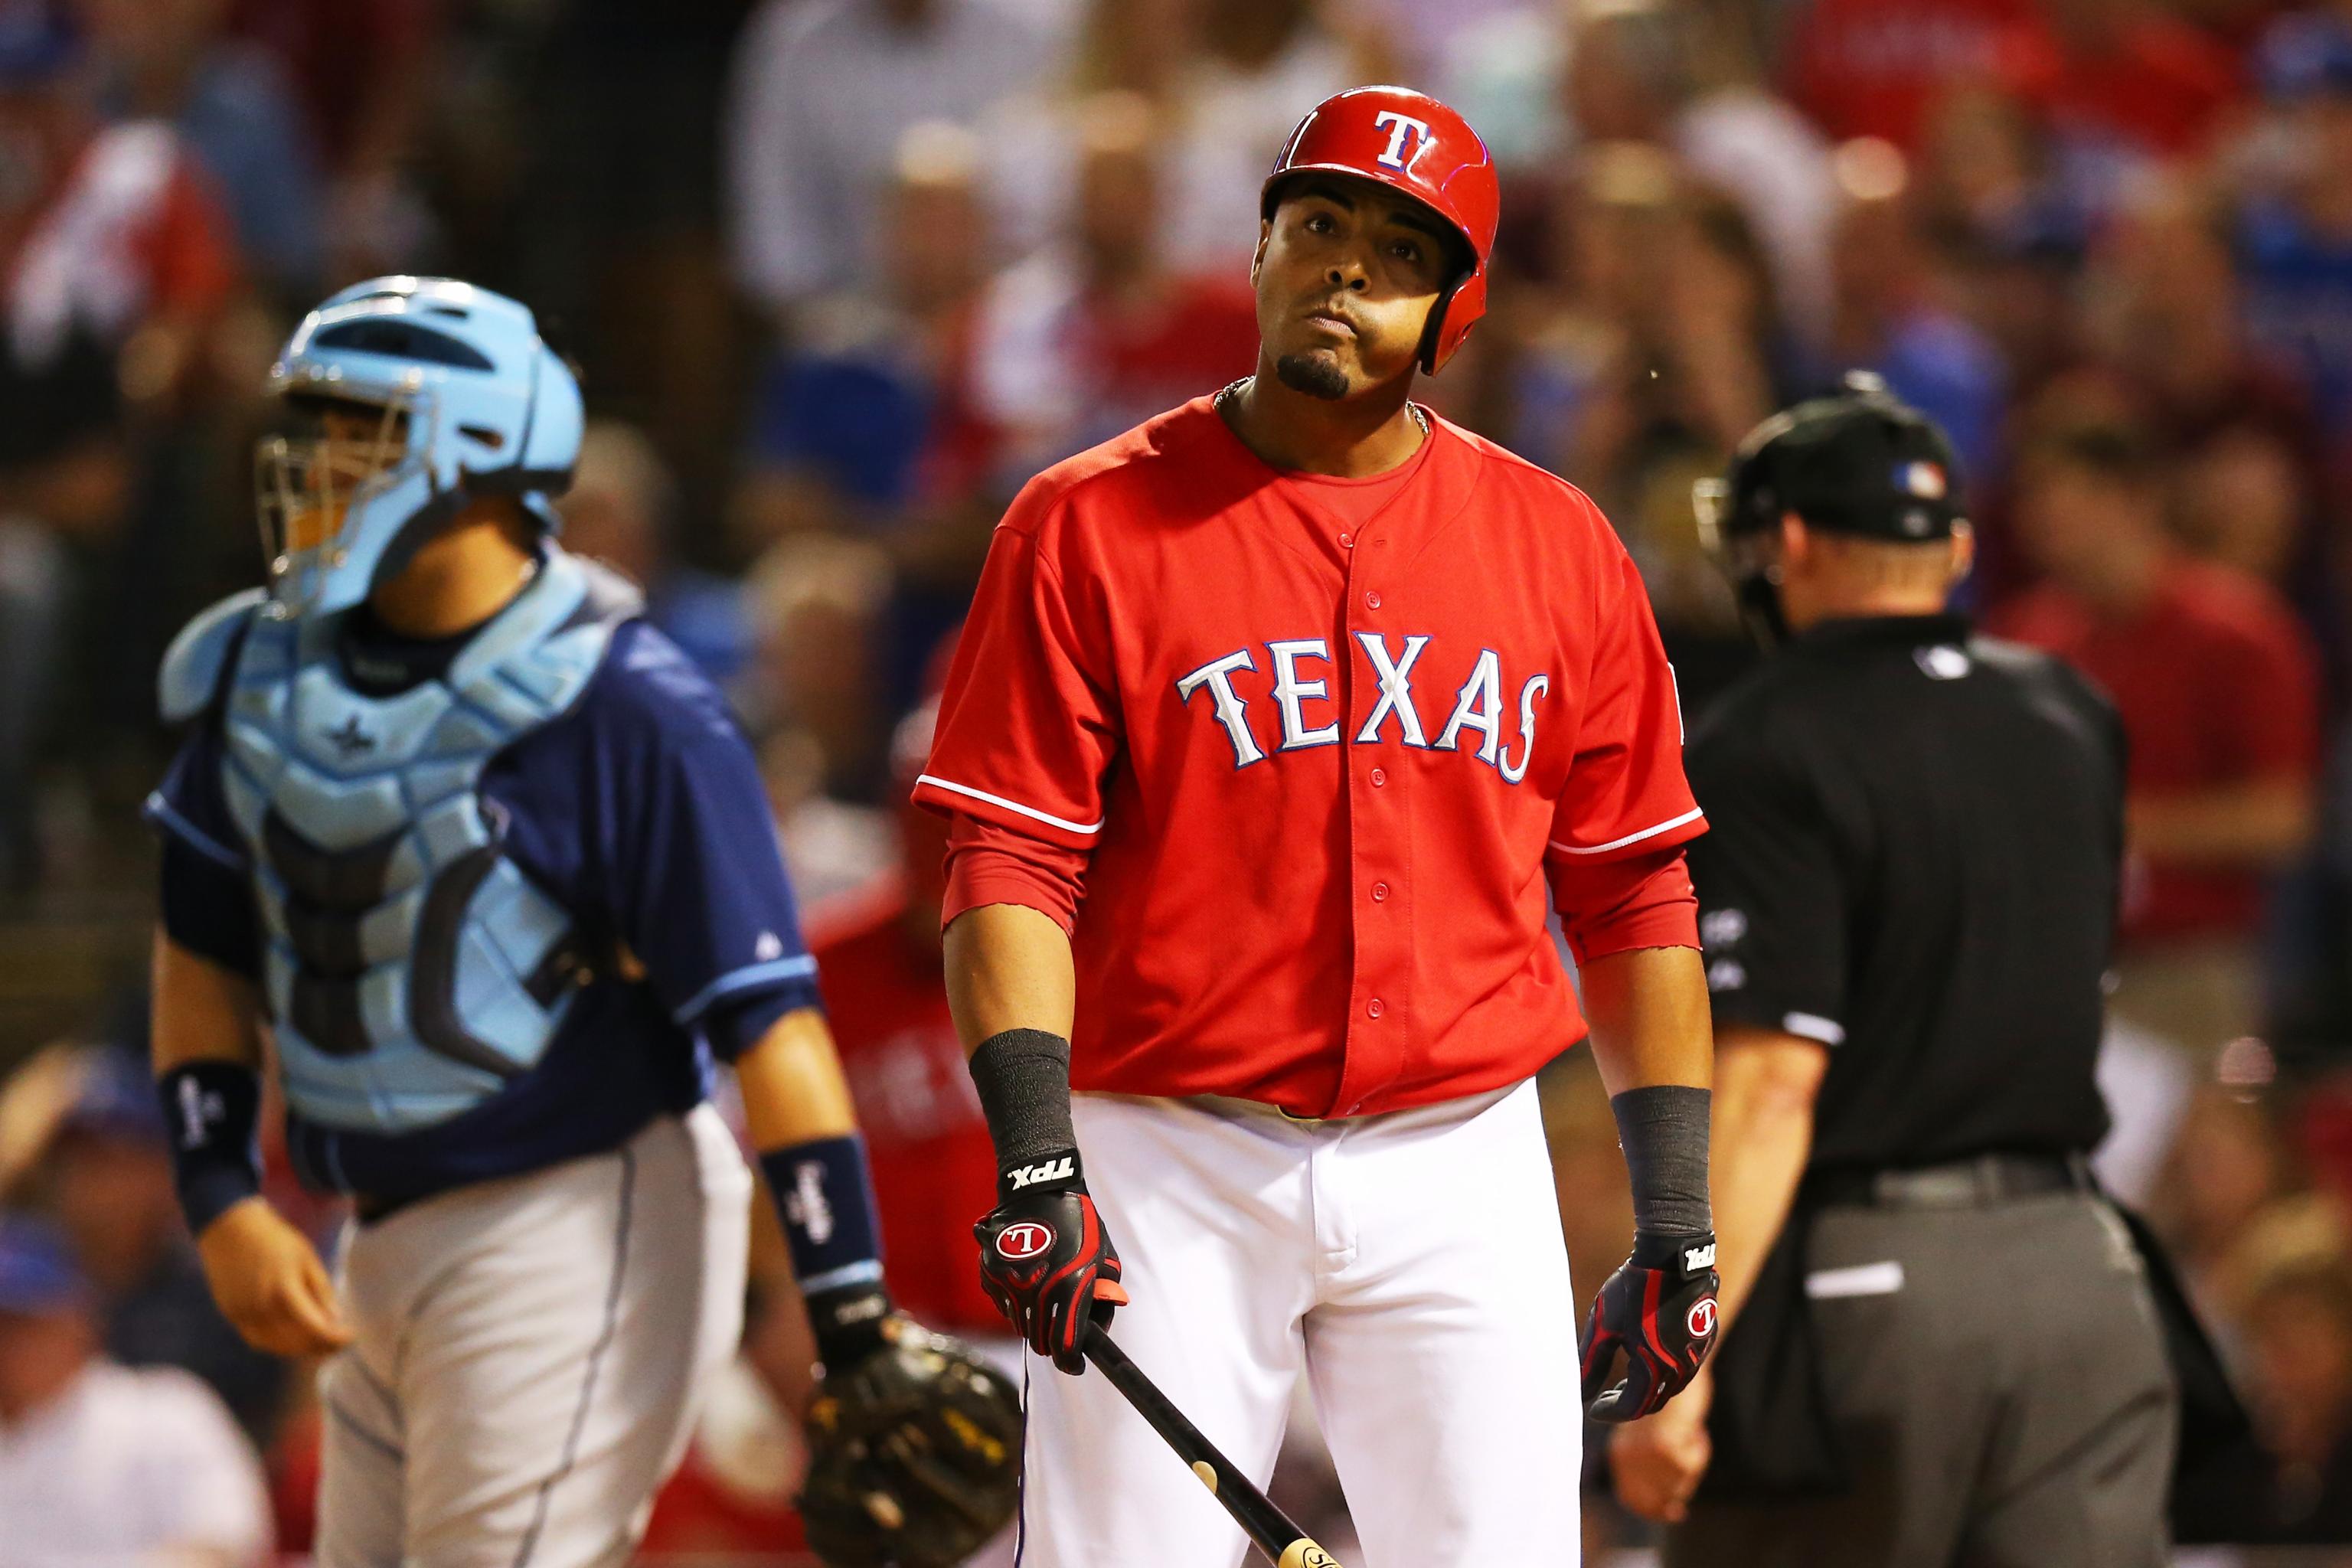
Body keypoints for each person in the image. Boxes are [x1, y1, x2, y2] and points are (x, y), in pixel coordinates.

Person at [916, 87, 1720, 1564]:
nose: (1346, 267)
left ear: (1455, 308)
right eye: (1319, 223)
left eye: (1398, 250)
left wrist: (1677, 1216)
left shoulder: (1559, 547)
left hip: (1458, 1151)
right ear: (1260, 250)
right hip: (1167, 1149)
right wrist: (1039, 1156)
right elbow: (1008, 861)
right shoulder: (1083, 522)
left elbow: (1633, 895)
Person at [142, 277, 1019, 1567]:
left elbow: (768, 1022)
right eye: (308, 437)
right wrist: (221, 1196)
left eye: (355, 438)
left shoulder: (627, 704)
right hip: (376, 1226)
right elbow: (200, 950)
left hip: (576, 1210)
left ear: (480, 454)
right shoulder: (265, 683)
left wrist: (847, 1316)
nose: (307, 470)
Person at [1609, 375, 2178, 1565]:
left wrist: (1683, 1355)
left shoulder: (1763, 737)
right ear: (1957, 548)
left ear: (1792, 544)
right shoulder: (2071, 709)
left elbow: (1773, 1086)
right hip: (2085, 1270)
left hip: (1875, 1294)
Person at [1992, 415, 2322, 1056]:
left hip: (2190, 967)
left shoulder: (2239, 633)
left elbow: (2286, 816)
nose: (2045, 520)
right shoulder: (2020, 638)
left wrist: (2121, 824)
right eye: (2034, 498)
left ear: (2137, 496)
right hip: (2052, 966)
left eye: (2070, 495)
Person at [0, 1212, 273, 1566]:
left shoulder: (165, 1410)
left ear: (79, 1320)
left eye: (25, 1324)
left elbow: (224, 1548)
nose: (10, 1345)